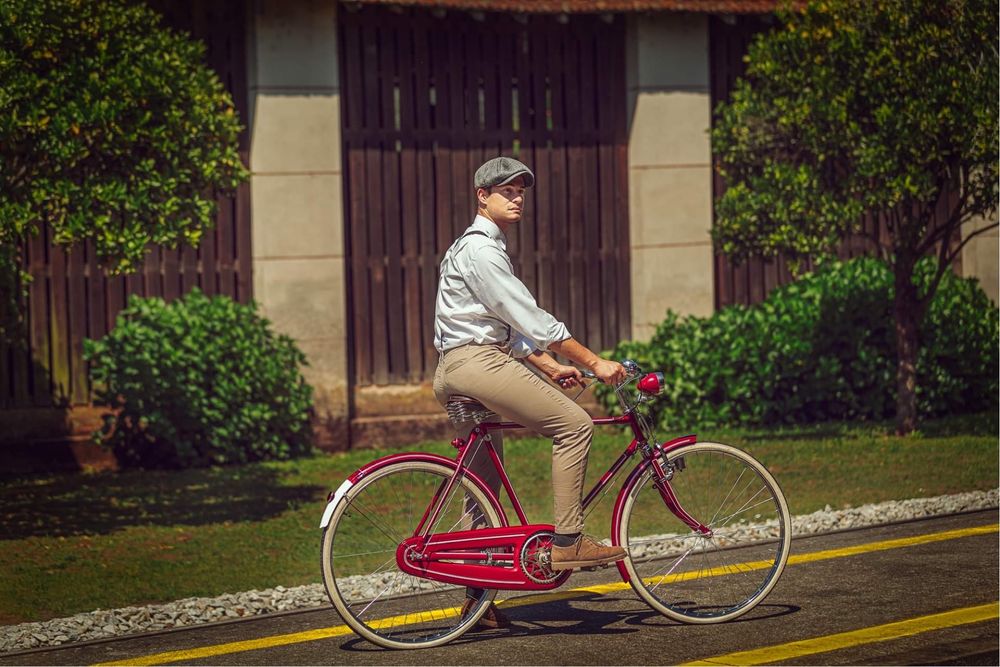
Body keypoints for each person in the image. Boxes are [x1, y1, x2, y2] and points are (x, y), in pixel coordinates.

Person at [432, 156, 628, 629]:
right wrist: (593, 362)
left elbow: (503, 325)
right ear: (482, 196)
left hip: (455, 368)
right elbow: (528, 317)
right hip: (478, 364)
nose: (517, 198)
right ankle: (568, 543)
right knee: (575, 426)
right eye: (507, 191)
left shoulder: (470, 248)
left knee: (483, 486)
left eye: (521, 191)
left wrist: (549, 366)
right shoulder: (482, 250)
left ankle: (477, 602)